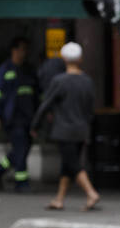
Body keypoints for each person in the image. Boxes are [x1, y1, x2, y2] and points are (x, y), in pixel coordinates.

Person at [30, 42, 101, 212]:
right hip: (82, 129)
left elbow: (46, 104)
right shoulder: (87, 81)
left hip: (64, 130)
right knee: (67, 165)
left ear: (64, 59)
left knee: (73, 164)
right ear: (80, 59)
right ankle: (59, 199)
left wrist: (35, 125)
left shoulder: (59, 81)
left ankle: (91, 193)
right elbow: (91, 108)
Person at [0, 37, 38, 192]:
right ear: (14, 50)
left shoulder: (28, 70)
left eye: (26, 49)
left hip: (28, 117)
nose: (25, 52)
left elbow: (37, 93)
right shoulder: (4, 70)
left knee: (22, 148)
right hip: (12, 118)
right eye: (22, 48)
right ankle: (21, 183)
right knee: (21, 147)